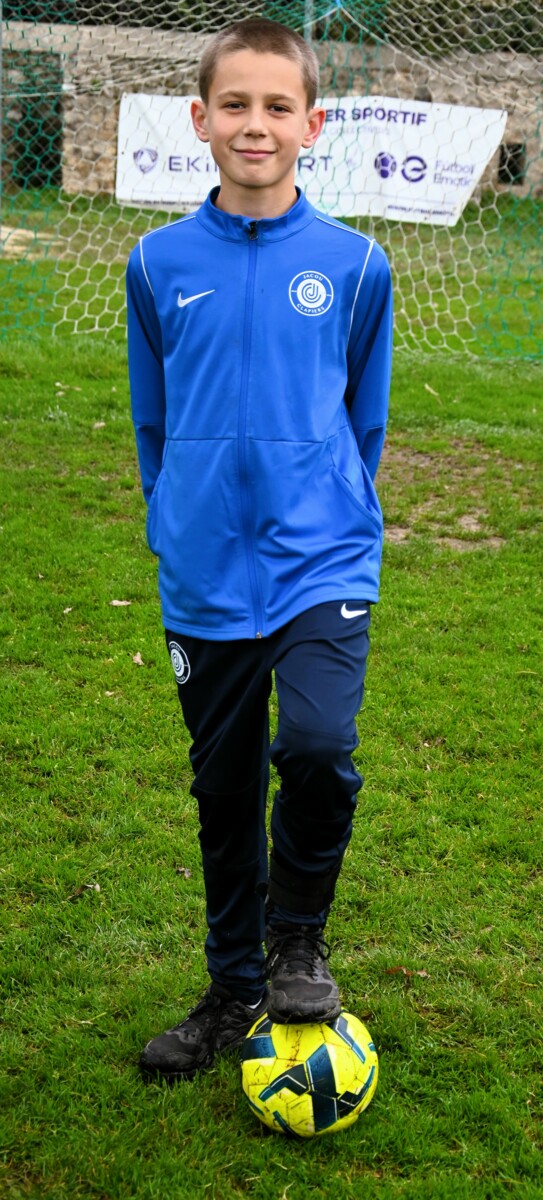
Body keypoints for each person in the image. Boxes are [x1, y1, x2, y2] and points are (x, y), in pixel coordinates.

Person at [126, 16, 392, 1083]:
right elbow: (151, 420)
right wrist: (175, 518)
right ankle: (232, 987)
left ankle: (297, 944)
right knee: (224, 790)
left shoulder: (356, 264)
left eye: (278, 106)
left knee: (318, 746)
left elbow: (363, 420)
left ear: (311, 125)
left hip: (320, 557)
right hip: (203, 569)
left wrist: (331, 508)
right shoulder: (156, 262)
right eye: (234, 104)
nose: (255, 124)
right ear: (200, 119)